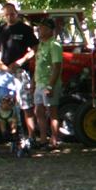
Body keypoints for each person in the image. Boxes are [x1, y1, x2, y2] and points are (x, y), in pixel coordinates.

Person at [0, 3, 39, 139]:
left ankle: (31, 136)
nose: (9, 17)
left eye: (12, 14)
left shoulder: (25, 29)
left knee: (26, 105)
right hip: (4, 72)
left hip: (20, 71)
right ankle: (7, 134)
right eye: (6, 15)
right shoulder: (1, 30)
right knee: (3, 103)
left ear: (16, 13)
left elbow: (35, 49)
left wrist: (20, 62)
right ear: (3, 16)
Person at [32, 18, 63, 149]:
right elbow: (37, 65)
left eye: (43, 28)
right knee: (38, 111)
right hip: (39, 82)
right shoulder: (40, 45)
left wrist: (50, 85)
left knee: (52, 111)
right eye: (39, 27)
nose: (40, 30)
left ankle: (54, 140)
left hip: (49, 83)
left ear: (50, 30)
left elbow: (57, 66)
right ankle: (43, 139)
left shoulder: (54, 45)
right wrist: (34, 83)